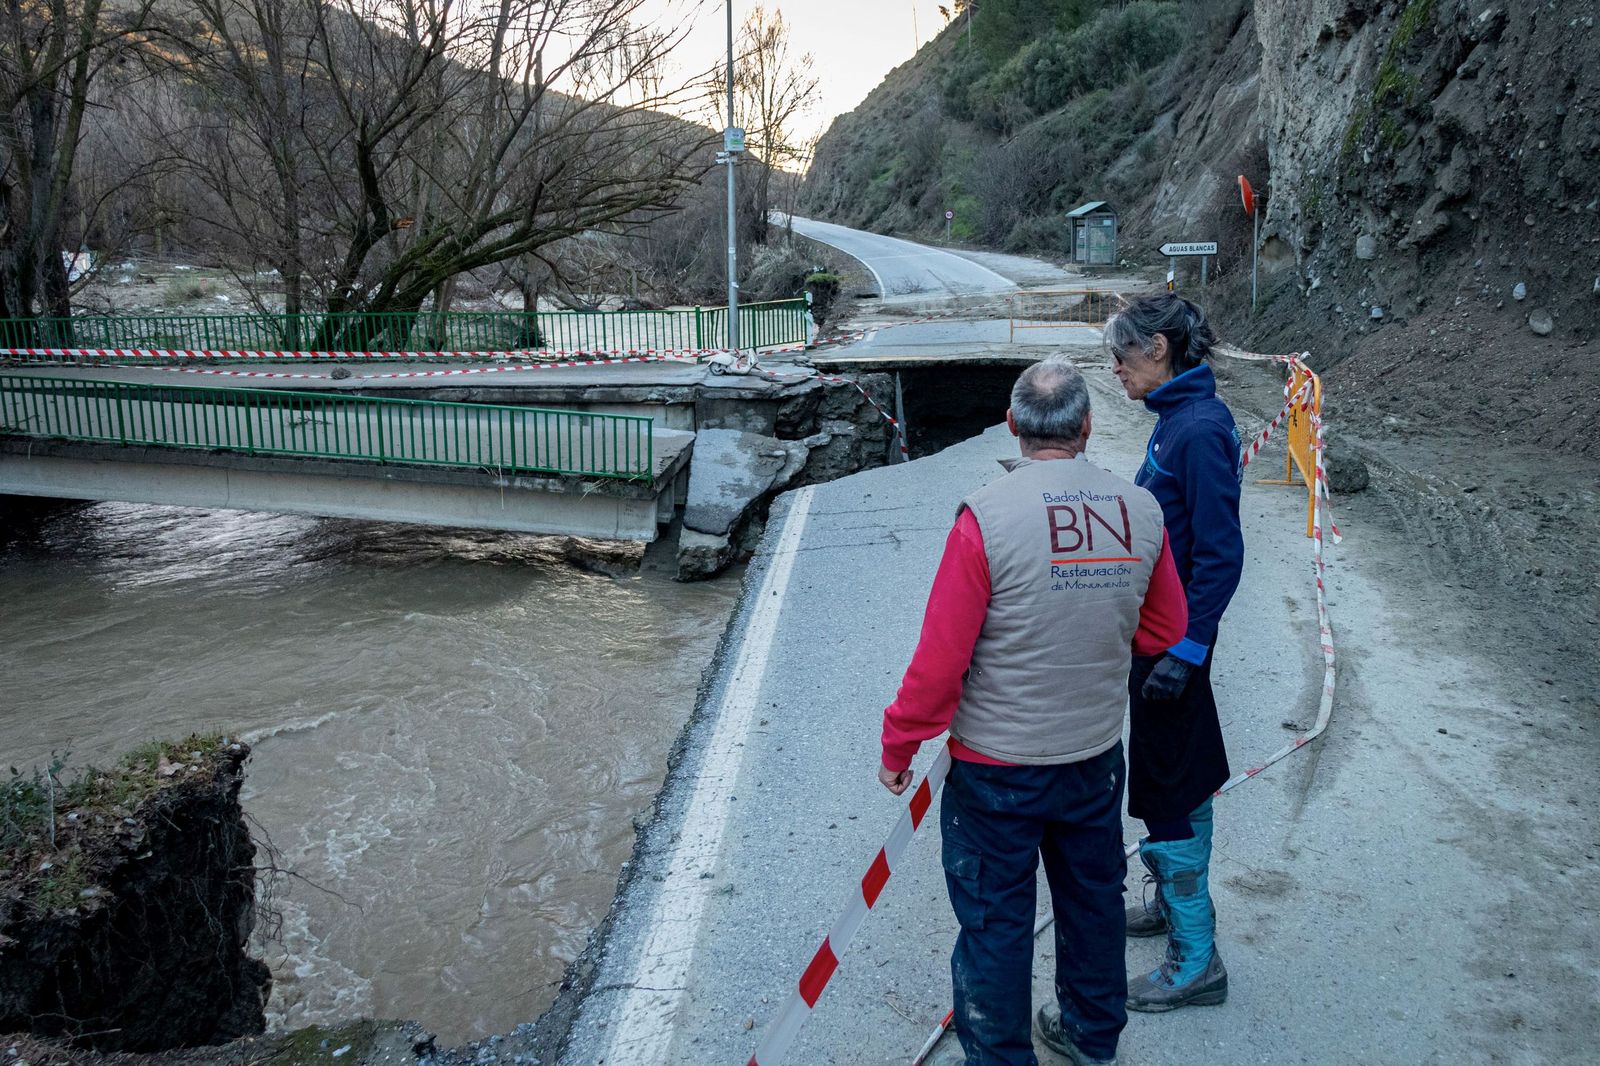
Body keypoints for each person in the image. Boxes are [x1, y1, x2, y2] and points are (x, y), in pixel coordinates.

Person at [878, 360, 1189, 1066]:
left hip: (994, 771)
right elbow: (1165, 630)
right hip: (1092, 759)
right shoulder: (1140, 510)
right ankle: (1090, 1036)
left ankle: (999, 1056)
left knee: (995, 925)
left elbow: (940, 664)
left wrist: (899, 746)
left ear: (1013, 425)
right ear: (1087, 425)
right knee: (1093, 905)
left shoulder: (985, 517)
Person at [1105, 293, 1244, 1013]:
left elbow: (1221, 553)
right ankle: (1172, 908)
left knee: (1171, 791)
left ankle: (1197, 960)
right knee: (1176, 781)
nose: (1116, 371)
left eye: (1122, 356)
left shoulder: (1196, 430)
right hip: (1159, 640)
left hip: (1172, 649)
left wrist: (1189, 649)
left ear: (1158, 348)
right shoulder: (1176, 422)